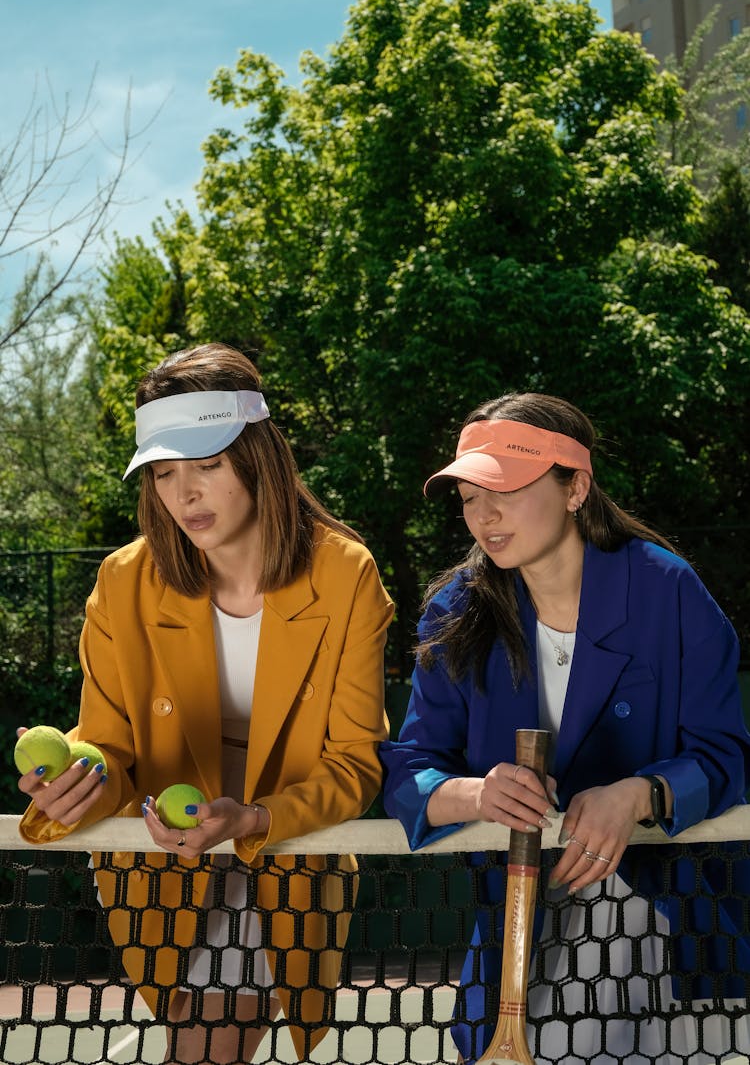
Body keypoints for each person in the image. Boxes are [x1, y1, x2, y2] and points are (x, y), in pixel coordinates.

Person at [17, 342, 394, 1065]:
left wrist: (255, 818)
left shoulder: (346, 574)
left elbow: (355, 763)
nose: (184, 493)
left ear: (257, 457)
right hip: (160, 874)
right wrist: (76, 779)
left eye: (208, 465)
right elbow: (111, 748)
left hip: (285, 858)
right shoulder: (121, 583)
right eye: (163, 472)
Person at [380, 392, 750, 1065]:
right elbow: (408, 769)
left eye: (507, 489)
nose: (483, 515)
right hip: (517, 937)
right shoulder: (452, 610)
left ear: (575, 486)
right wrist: (474, 793)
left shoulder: (670, 589)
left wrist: (641, 794)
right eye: (468, 495)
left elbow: (726, 756)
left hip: (679, 925)